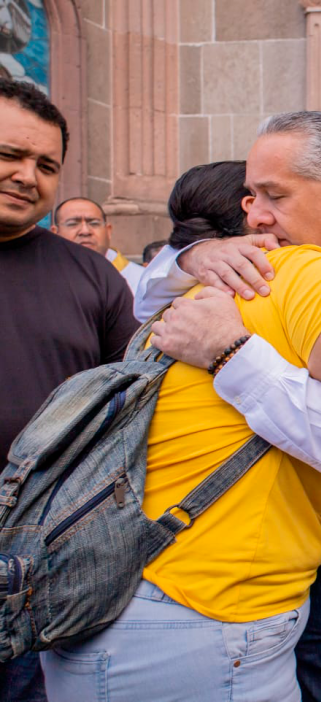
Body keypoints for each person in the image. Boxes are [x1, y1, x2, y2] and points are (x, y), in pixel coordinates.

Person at [40, 160, 321, 702]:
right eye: (251, 197)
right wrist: (197, 263)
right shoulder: (263, 275)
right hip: (224, 595)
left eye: (273, 195)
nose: (261, 211)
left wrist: (225, 341)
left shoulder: (226, 287)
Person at [0, 77, 139, 702]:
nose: (27, 176)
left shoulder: (93, 277)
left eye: (46, 165)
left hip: (46, 563)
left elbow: (133, 406)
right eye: (10, 155)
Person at [51, 196, 145, 295]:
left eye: (94, 223)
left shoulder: (141, 281)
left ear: (108, 231)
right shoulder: (44, 276)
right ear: (55, 233)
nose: (85, 231)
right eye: (73, 224)